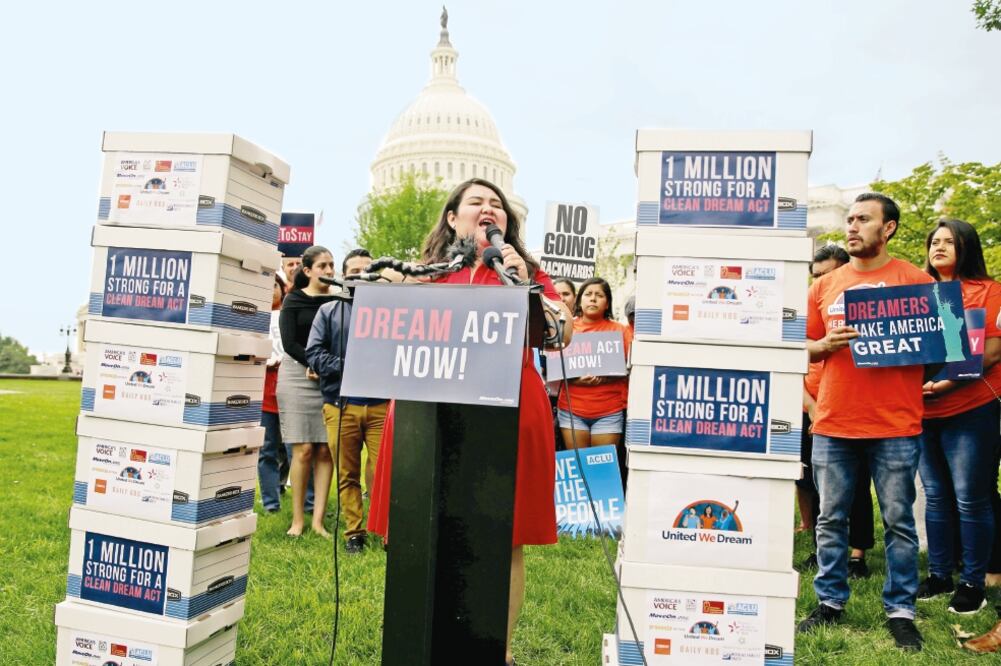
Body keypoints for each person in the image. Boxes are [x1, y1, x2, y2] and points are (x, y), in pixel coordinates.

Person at [368, 178, 572, 666]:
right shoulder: (426, 276)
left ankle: (495, 653)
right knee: (422, 528)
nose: (488, 209)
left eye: (496, 204)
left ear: (508, 223)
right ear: (453, 218)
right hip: (430, 412)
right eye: (476, 202)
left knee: (506, 536)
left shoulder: (528, 273)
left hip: (511, 409)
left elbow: (561, 332)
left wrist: (523, 281)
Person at [797, 193, 934, 651]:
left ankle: (901, 610)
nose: (852, 227)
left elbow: (940, 352)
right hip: (835, 423)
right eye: (849, 219)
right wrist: (823, 347)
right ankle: (830, 601)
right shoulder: (824, 285)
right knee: (830, 520)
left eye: (863, 220)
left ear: (888, 228)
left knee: (899, 522)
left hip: (896, 424)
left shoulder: (917, 281)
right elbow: (802, 346)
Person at [914, 219, 1001, 614]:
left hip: (971, 408)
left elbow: (993, 352)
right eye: (935, 241)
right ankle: (938, 574)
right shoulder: (915, 293)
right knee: (935, 496)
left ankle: (973, 582)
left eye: (950, 241)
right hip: (922, 410)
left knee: (971, 497)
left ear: (967, 247)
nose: (940, 247)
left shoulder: (991, 291)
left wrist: (947, 383)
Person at [306, 248, 389, 554]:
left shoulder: (390, 312)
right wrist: (351, 364)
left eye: (367, 271)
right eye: (354, 272)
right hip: (340, 404)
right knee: (347, 473)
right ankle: (354, 532)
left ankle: (385, 529)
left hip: (382, 404)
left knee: (383, 473)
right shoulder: (329, 311)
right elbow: (313, 353)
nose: (360, 277)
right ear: (344, 277)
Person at [799, 245, 874, 577]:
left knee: (857, 486)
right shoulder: (810, 309)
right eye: (815, 276)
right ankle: (824, 550)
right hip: (814, 411)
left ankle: (857, 553)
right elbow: (794, 359)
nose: (820, 282)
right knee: (819, 487)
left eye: (827, 274)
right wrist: (813, 410)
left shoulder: (865, 306)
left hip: (855, 412)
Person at [277, 245, 338, 537]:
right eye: (323, 265)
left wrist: (326, 366)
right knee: (302, 451)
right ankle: (298, 521)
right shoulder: (294, 300)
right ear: (308, 270)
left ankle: (318, 522)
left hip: (330, 377)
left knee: (326, 449)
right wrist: (312, 362)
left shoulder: (341, 300)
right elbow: (289, 343)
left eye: (331, 265)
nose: (328, 271)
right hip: (298, 376)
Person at [556, 278, 632, 487]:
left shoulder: (620, 331)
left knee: (602, 473)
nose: (593, 299)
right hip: (572, 411)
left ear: (607, 303)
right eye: (589, 294)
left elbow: (630, 368)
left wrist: (607, 376)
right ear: (580, 300)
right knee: (577, 471)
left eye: (599, 295)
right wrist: (576, 377)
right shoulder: (565, 328)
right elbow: (554, 365)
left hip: (608, 411)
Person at [258, 274, 286, 513]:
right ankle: (270, 504)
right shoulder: (252, 320)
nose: (270, 291)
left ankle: (306, 501)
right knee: (267, 449)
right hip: (264, 394)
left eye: (274, 285)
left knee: (293, 450)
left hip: (289, 391)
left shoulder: (290, 316)